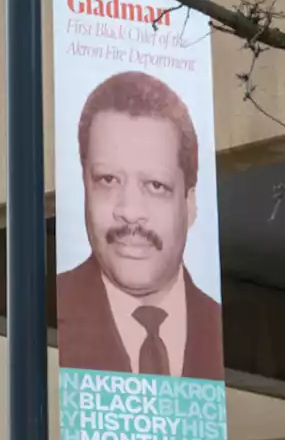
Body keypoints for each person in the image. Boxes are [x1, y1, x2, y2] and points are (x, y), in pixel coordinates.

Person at [57, 70, 224, 381]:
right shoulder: (43, 313)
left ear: (190, 203)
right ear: (84, 185)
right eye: (108, 180)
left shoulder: (223, 328)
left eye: (155, 186)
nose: (130, 212)